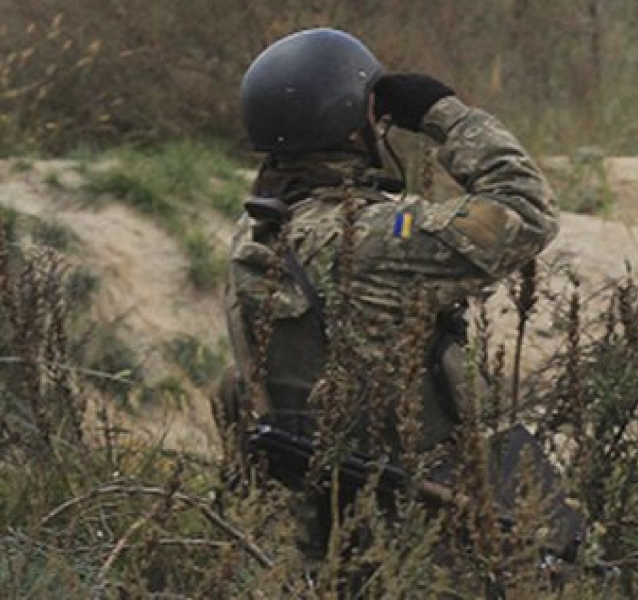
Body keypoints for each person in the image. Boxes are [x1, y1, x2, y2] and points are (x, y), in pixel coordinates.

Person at [214, 28, 579, 584]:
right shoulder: (374, 239)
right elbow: (525, 209)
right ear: (354, 127)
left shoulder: (255, 235)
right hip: (421, 521)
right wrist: (443, 114)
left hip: (319, 525)